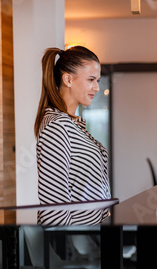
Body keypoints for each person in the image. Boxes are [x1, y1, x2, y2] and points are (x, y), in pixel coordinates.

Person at [34, 46, 110, 225]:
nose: (97, 87)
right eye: (91, 79)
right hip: (77, 244)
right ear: (67, 79)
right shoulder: (57, 127)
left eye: (97, 80)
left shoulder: (72, 124)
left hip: (92, 236)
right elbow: (54, 211)